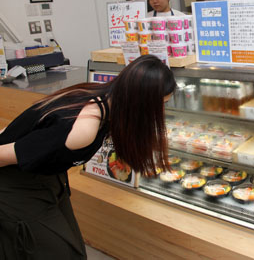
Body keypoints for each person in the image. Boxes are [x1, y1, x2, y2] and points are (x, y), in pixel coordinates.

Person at [0, 55, 176, 259]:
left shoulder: (100, 98)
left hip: (48, 178)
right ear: (140, 102)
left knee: (74, 248)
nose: (161, 112)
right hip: (14, 186)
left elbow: (16, 131)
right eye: (159, 105)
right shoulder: (82, 129)